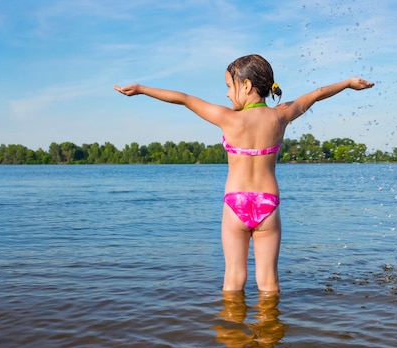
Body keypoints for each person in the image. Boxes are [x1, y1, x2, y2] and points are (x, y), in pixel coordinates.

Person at [115, 54, 374, 293]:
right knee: (269, 282)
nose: (228, 95)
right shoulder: (280, 116)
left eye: (229, 87)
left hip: (235, 204)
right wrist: (348, 83)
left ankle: (233, 337)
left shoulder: (228, 118)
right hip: (268, 205)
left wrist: (142, 90)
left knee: (233, 279)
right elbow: (316, 94)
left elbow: (184, 98)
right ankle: (270, 336)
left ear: (247, 86)